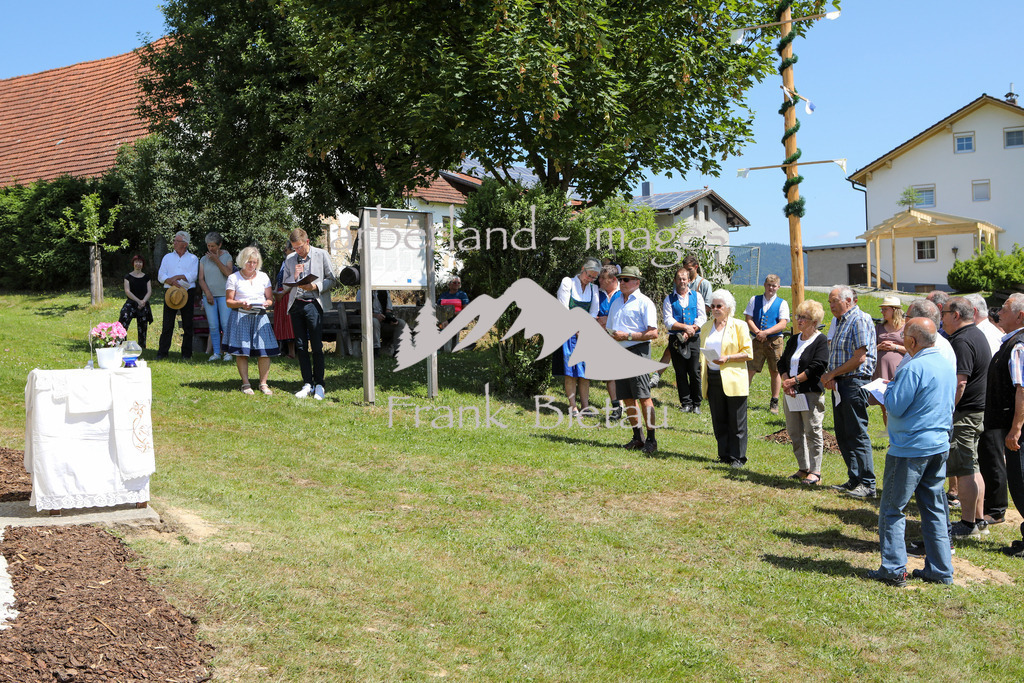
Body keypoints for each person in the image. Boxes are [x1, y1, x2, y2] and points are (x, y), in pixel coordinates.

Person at [869, 318, 956, 586]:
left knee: (893, 509)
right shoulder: (945, 364)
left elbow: (894, 406)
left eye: (905, 336)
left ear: (913, 341)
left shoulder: (913, 368)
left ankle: (894, 570)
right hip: (938, 445)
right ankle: (940, 570)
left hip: (910, 448)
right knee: (934, 508)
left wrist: (889, 387)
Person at [942, 296, 993, 539]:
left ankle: (967, 523)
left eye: (943, 314)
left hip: (965, 413)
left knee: (963, 469)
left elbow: (960, 382)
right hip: (974, 411)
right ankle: (979, 519)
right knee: (972, 466)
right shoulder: (976, 334)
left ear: (956, 315)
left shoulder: (962, 340)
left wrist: (947, 410)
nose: (942, 319)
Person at [822, 285, 877, 498]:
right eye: (830, 301)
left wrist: (831, 374)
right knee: (843, 433)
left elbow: (859, 357)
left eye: (834, 301)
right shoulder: (840, 322)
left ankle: (868, 483)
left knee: (856, 433)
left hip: (854, 382)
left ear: (848, 300)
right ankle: (854, 479)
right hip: (841, 384)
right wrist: (832, 376)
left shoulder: (859, 319)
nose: (831, 305)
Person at [606, 266, 660, 454]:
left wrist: (627, 337)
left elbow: (654, 333)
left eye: (626, 279)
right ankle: (638, 437)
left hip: (638, 352)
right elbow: (611, 329)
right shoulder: (616, 302)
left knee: (644, 397)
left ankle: (652, 439)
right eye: (620, 279)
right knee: (627, 398)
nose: (622, 282)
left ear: (637, 282)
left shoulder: (645, 302)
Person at [986, 293, 1024, 557]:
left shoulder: (1019, 345)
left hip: (1019, 430)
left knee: (1021, 481)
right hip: (1013, 425)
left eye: (1006, 309)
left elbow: (1022, 388)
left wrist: (1016, 428)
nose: (1000, 313)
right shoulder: (1012, 342)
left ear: (1020, 315)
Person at [700, 289, 754, 467]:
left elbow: (748, 353)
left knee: (736, 420)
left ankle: (738, 457)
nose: (715, 309)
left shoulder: (739, 325)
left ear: (728, 308)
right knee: (719, 418)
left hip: (733, 379)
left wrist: (728, 358)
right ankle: (723, 454)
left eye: (719, 306)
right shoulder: (706, 327)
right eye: (713, 306)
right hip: (713, 376)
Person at [778, 299, 828, 485]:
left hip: (810, 393)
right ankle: (803, 467)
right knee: (794, 431)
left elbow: (818, 366)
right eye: (798, 317)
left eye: (804, 318)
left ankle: (815, 471)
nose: (799, 321)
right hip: (790, 393)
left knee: (812, 430)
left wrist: (795, 381)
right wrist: (786, 382)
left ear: (814, 322)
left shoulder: (820, 340)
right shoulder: (793, 339)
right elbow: (782, 362)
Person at [283, 228, 337, 400]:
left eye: (299, 247)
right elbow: (285, 284)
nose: (297, 251)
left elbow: (333, 279)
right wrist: (295, 276)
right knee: (300, 345)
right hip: (296, 304)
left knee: (316, 345)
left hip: (314, 303)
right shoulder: (290, 259)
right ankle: (307, 383)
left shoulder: (321, 254)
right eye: (294, 248)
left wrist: (315, 286)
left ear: (307, 241)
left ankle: (320, 384)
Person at [224, 247, 279, 395]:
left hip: (260, 316)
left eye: (255, 262)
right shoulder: (234, 278)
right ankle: (246, 384)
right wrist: (241, 303)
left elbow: (269, 299)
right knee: (242, 351)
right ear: (243, 261)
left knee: (264, 350)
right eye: (249, 262)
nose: (252, 265)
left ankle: (263, 384)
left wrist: (267, 303)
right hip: (240, 316)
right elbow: (229, 301)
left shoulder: (263, 277)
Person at [552, 258, 601, 416]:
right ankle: (572, 406)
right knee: (570, 372)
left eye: (594, 277)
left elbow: (594, 312)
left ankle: (585, 407)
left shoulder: (593, 289)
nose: (591, 279)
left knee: (585, 372)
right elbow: (563, 308)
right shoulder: (568, 283)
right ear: (582, 269)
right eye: (589, 275)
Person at [663, 267, 706, 414]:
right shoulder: (669, 299)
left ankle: (697, 403)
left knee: (694, 371)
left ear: (688, 280)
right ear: (675, 281)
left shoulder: (697, 296)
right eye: (679, 279)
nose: (682, 281)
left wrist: (691, 329)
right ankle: (685, 403)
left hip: (693, 338)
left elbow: (702, 317)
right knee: (680, 372)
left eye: (684, 278)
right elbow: (668, 320)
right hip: (676, 338)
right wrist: (684, 328)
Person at [744, 274, 789, 414]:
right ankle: (742, 397)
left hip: (774, 341)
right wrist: (758, 332)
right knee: (750, 368)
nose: (771, 288)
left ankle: (774, 401)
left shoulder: (782, 303)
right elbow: (748, 318)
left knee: (775, 370)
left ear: (778, 287)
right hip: (757, 339)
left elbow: (783, 323)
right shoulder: (754, 300)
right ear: (765, 285)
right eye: (769, 285)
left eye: (774, 286)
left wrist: (766, 332)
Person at [156, 230, 200, 360]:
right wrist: (171, 281)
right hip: (170, 292)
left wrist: (178, 277)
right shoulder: (167, 257)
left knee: (187, 324)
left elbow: (193, 276)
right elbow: (160, 275)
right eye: (174, 240)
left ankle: (186, 354)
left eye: (177, 241)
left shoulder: (192, 258)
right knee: (167, 324)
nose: (174, 243)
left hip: (187, 292)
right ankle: (162, 353)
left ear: (184, 244)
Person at [197, 231, 235, 362]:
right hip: (209, 296)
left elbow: (229, 273)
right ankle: (216, 353)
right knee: (213, 326)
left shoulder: (227, 257)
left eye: (213, 246)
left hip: (224, 296)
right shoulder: (203, 259)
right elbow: (201, 279)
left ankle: (228, 352)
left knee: (225, 324)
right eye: (208, 246)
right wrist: (207, 293)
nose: (210, 249)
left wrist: (216, 260)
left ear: (220, 245)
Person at [872, 296, 907, 422]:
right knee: (883, 402)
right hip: (881, 369)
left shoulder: (905, 327)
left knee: (898, 401)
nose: (882, 312)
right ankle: (888, 433)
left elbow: (912, 350)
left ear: (894, 310)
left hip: (898, 368)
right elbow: (869, 349)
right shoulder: (878, 328)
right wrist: (879, 347)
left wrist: (895, 347)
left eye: (885, 309)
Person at [596, 265, 623, 420]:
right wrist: (601, 320)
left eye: (602, 278)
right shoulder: (597, 293)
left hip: (620, 338)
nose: (599, 281)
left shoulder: (622, 294)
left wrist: (609, 319)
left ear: (613, 280)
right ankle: (616, 406)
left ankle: (627, 404)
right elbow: (594, 314)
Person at [119, 254, 153, 349]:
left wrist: (143, 302)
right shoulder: (128, 277)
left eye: (140, 262)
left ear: (143, 264)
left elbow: (149, 291)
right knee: (123, 318)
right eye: (136, 262)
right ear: (133, 263)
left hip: (143, 303)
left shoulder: (146, 277)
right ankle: (122, 344)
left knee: (143, 324)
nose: (138, 264)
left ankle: (142, 346)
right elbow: (127, 291)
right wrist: (138, 301)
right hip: (131, 302)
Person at [273, 242, 297, 358]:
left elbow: (294, 279)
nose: (284, 251)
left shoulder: (293, 261)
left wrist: (283, 293)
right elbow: (279, 280)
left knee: (289, 325)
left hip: (288, 294)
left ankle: (292, 352)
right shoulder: (284, 262)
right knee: (282, 324)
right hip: (280, 296)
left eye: (286, 249)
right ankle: (283, 350)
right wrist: (276, 293)